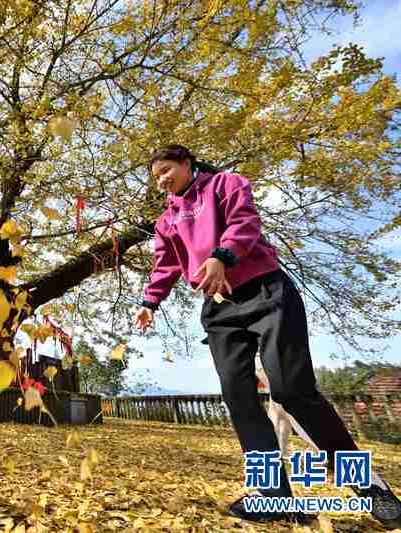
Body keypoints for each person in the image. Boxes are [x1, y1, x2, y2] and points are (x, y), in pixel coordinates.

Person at [135, 144, 401, 527]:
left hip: (265, 292)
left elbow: (244, 223)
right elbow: (166, 264)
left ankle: (368, 485)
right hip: (220, 308)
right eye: (156, 175)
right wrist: (150, 302)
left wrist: (220, 256)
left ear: (187, 163)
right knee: (238, 398)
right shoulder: (167, 220)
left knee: (293, 392)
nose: (162, 179)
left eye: (166, 169)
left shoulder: (226, 184)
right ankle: (275, 497)